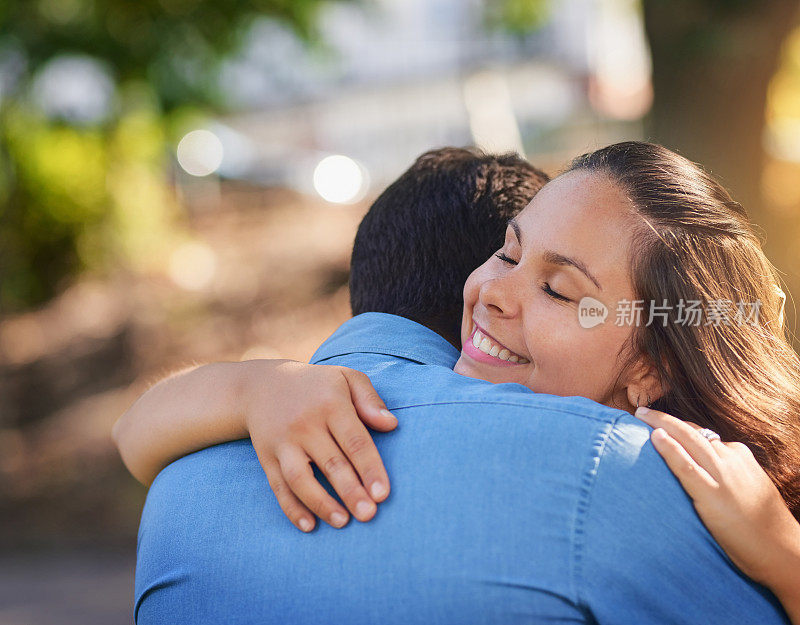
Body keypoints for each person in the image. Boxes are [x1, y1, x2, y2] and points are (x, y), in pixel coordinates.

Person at [117, 143, 799, 624]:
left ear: (653, 364)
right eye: (507, 249)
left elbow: (138, 436)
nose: (496, 290)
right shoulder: (622, 475)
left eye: (560, 290)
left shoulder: (661, 479)